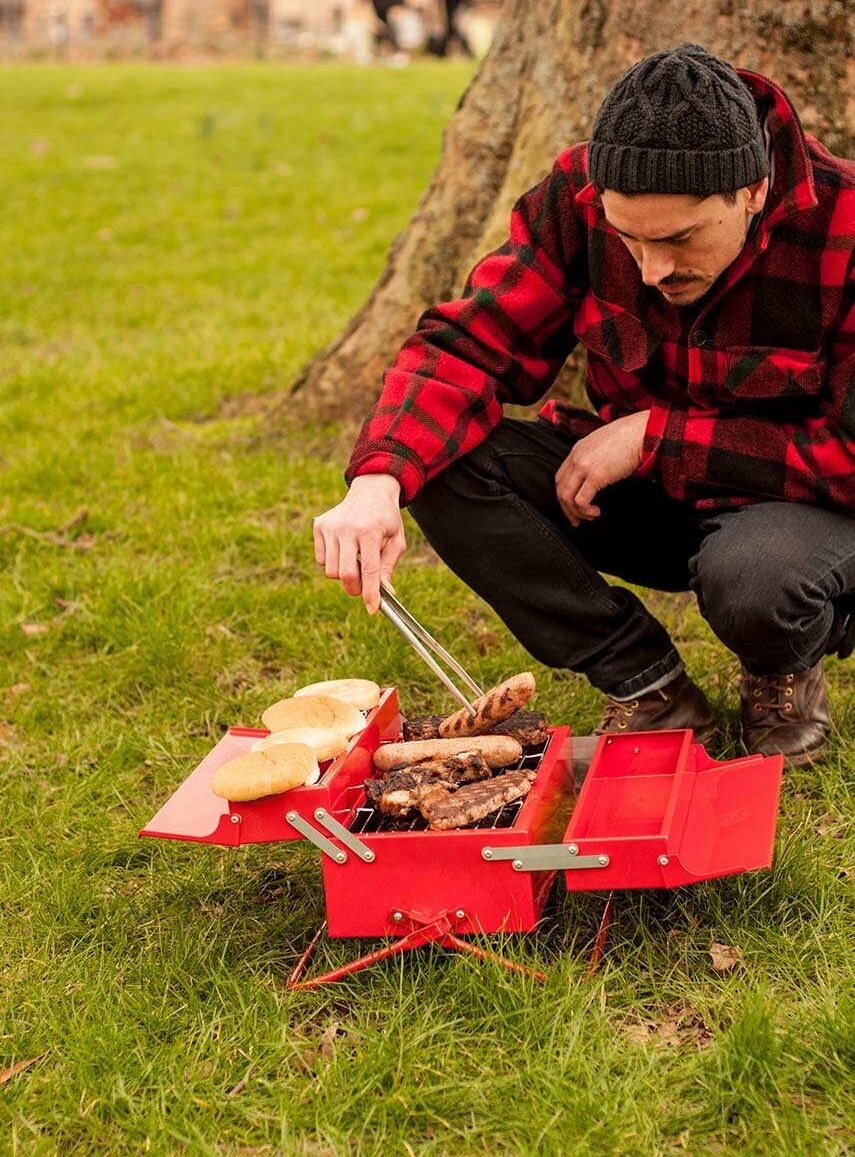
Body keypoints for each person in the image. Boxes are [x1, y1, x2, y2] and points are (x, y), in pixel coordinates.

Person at [313, 44, 855, 770]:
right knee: (438, 464)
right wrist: (377, 480)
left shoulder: (845, 225)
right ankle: (651, 687)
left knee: (756, 578)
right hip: (639, 504)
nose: (651, 269)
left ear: (752, 192)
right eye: (627, 238)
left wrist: (655, 437)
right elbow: (467, 346)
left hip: (792, 519)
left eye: (677, 239)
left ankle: (780, 677)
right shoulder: (574, 196)